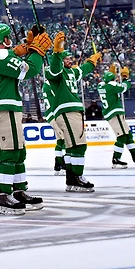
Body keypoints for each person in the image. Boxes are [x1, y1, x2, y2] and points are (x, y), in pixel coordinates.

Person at [0, 23, 52, 215]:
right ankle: (5, 195)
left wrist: (26, 48)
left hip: (3, 107)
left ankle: (19, 190)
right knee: (11, 151)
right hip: (4, 107)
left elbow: (12, 57)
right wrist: (37, 50)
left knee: (19, 151)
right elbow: (29, 70)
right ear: (5, 39)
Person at [45, 33, 103, 192]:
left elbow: (83, 69)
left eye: (70, 58)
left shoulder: (72, 72)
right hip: (66, 111)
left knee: (72, 147)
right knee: (78, 145)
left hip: (74, 111)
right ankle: (76, 177)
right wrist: (57, 52)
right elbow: (55, 67)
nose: (70, 60)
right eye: (66, 58)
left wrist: (93, 60)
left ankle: (72, 179)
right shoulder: (54, 73)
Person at [99, 65, 135, 168]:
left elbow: (109, 81)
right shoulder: (112, 86)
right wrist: (126, 78)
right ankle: (116, 159)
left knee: (128, 135)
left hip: (112, 113)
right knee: (122, 136)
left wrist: (112, 72)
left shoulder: (102, 86)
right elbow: (124, 87)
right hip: (114, 113)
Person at [42, 71, 67, 175]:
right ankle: (63, 165)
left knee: (60, 140)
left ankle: (58, 165)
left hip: (50, 114)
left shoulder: (45, 85)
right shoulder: (51, 84)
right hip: (55, 114)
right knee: (66, 138)